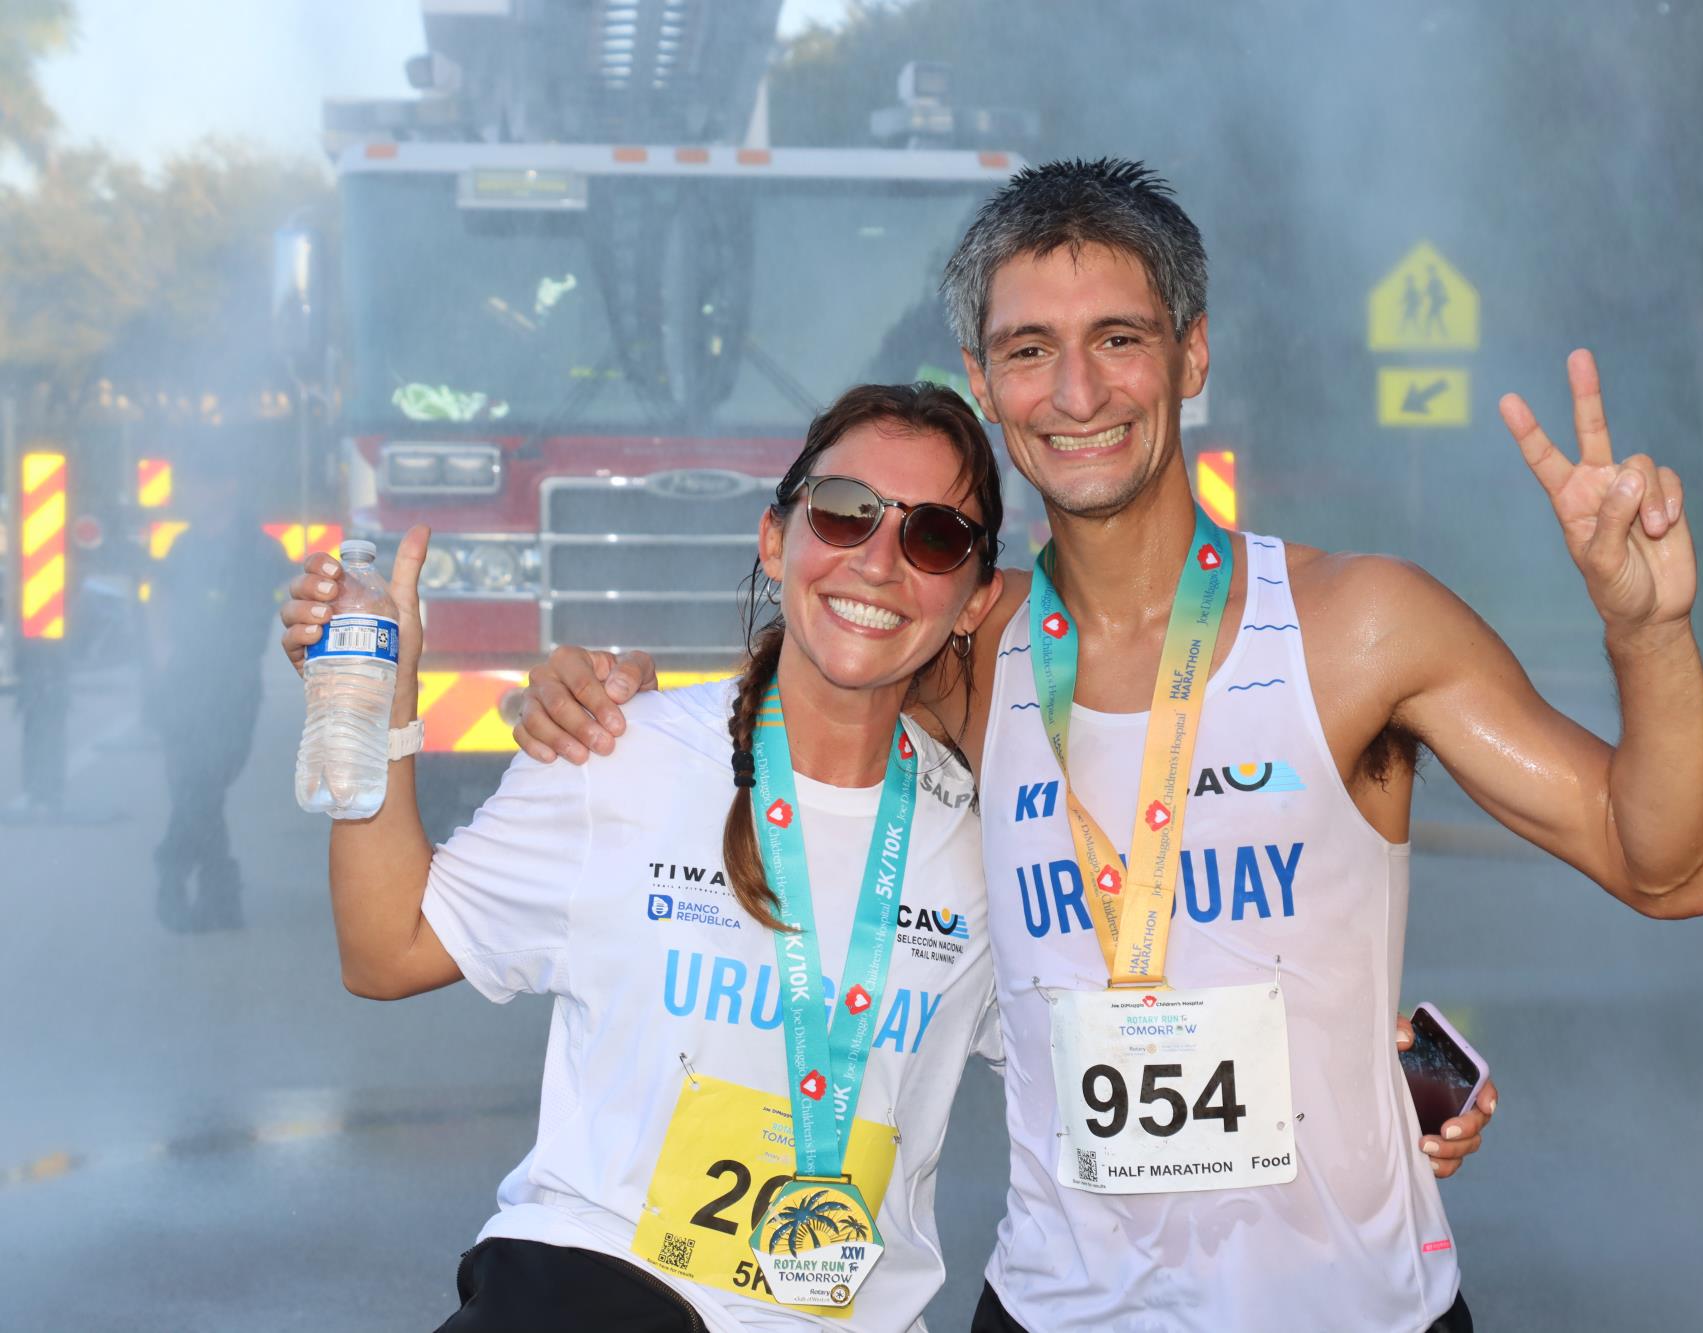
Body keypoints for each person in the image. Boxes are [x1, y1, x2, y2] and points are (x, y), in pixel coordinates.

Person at [509, 162, 1633, 1333]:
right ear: (988, 384)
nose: (1077, 389)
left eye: (1117, 339)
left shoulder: (1361, 624)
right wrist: (600, 697)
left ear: (1191, 356)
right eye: (1030, 349)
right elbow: (803, 671)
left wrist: (1642, 628)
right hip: (1055, 1310)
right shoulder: (969, 647)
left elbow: (1662, 862)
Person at [279, 383, 1020, 1331]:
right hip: (598, 1292)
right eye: (844, 513)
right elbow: (387, 949)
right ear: (774, 538)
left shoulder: (988, 839)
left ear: (974, 598)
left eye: (934, 538)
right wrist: (381, 711)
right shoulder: (617, 753)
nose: (876, 561)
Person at [149, 453, 294, 931]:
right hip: (185, 681)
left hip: (234, 684)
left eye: (198, 482)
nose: (189, 493)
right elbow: (162, 597)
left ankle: (195, 876)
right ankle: (204, 889)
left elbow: (297, 591)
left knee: (206, 782)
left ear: (226, 486)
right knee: (195, 784)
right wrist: (162, 649)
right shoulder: (183, 547)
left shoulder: (261, 550)